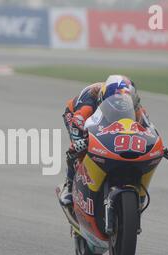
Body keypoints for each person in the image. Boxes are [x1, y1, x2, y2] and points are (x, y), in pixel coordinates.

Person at [59, 75, 150, 206]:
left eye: (126, 102)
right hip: (75, 115)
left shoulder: (138, 109)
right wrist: (80, 141)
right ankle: (69, 185)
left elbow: (147, 127)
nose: (121, 105)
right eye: (116, 102)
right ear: (104, 99)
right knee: (78, 149)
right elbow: (77, 122)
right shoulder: (89, 103)